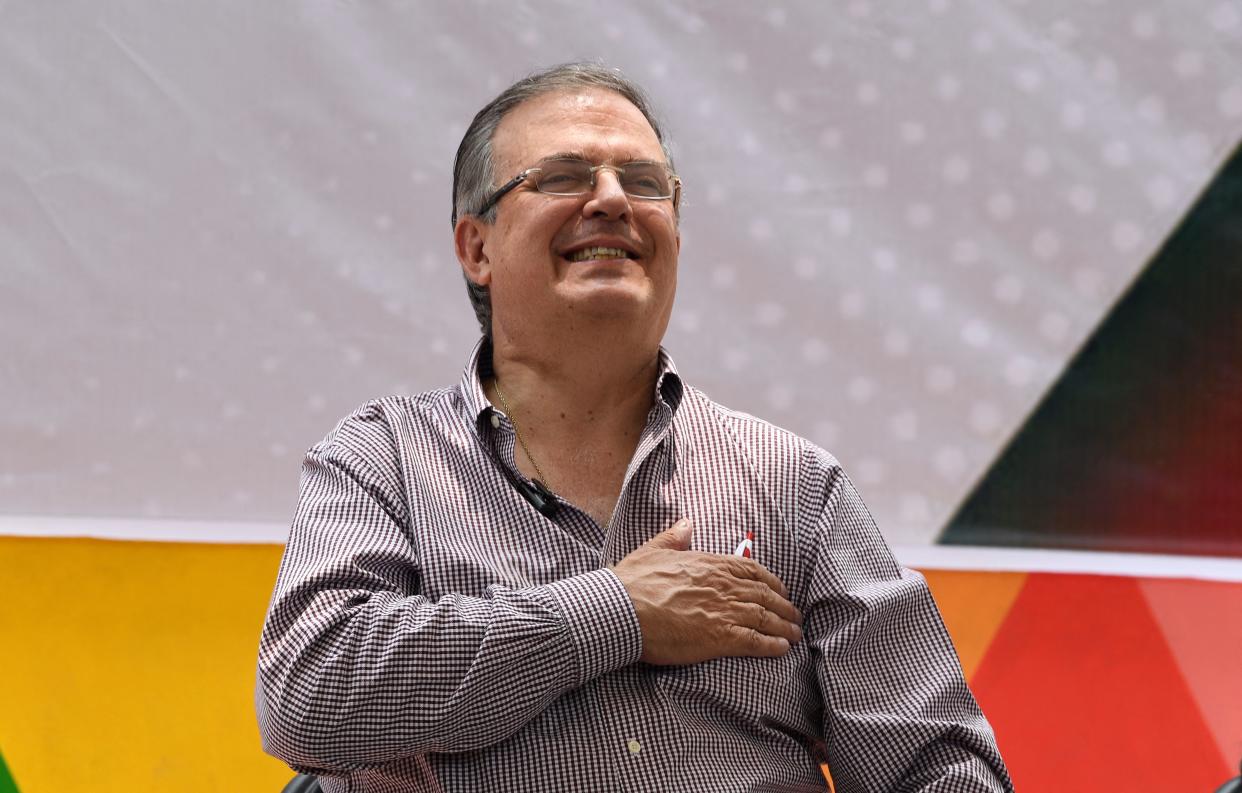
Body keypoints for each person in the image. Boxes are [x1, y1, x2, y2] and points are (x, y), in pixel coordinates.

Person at [256, 62, 1013, 793]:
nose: (614, 199)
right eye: (563, 176)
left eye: (645, 183)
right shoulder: (381, 457)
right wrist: (615, 612)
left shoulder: (793, 483)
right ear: (476, 247)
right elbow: (309, 694)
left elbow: (933, 766)